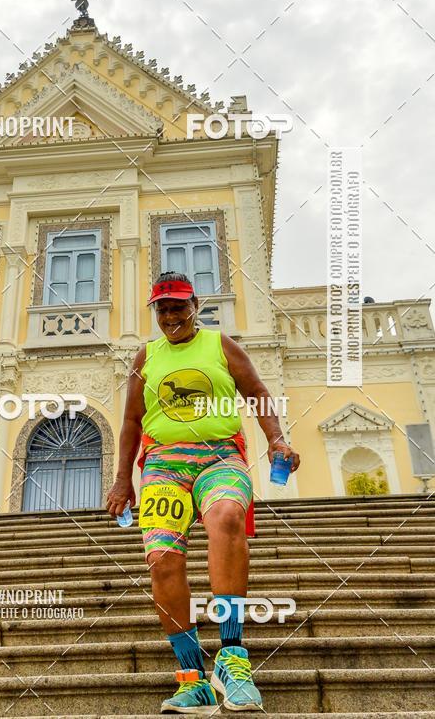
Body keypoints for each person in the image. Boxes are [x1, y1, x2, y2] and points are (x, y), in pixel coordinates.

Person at [106, 271, 300, 714]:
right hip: (163, 465)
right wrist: (122, 479)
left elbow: (257, 393)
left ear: (195, 306)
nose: (171, 315)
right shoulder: (145, 356)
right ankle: (192, 678)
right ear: (155, 312)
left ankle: (232, 661)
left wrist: (276, 440)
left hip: (219, 458)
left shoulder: (220, 345)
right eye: (163, 308)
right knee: (162, 560)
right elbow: (132, 421)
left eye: (178, 305)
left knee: (227, 516)